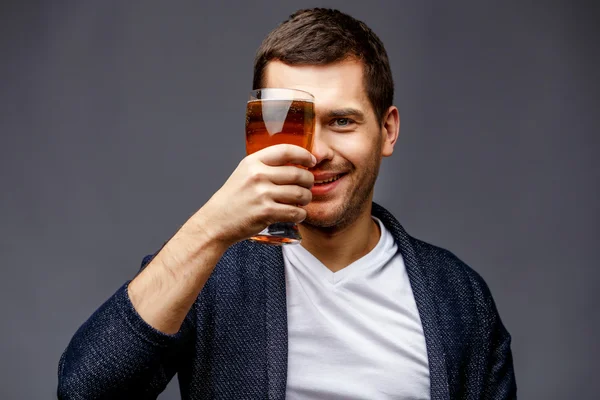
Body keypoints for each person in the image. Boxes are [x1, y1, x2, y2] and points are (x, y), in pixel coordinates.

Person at [58, 8, 516, 400]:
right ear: (257, 130)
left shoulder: (459, 297)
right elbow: (85, 390)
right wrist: (212, 228)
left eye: (341, 121)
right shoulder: (210, 272)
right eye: (289, 123)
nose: (313, 152)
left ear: (388, 130)